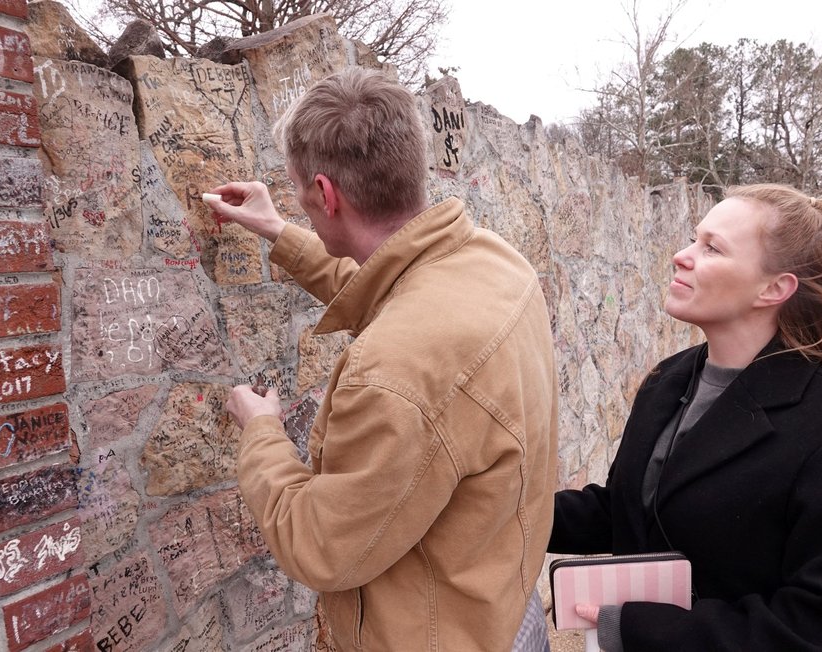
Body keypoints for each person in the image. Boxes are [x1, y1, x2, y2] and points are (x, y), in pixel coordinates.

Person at [206, 67, 558, 651]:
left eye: (301, 196)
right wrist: (279, 230)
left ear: (326, 193)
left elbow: (321, 545)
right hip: (505, 611)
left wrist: (262, 433)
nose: (303, 206)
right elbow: (390, 286)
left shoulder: (394, 372)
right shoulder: (494, 261)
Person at [550, 184, 822, 651]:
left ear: (774, 288)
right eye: (694, 239)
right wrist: (504, 514)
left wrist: (645, 630)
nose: (682, 255)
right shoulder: (668, 380)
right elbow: (626, 507)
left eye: (712, 248)